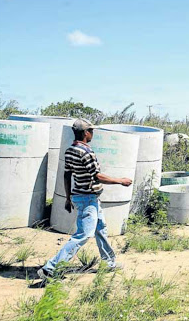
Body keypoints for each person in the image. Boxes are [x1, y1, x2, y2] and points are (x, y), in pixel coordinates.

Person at [37, 118, 132, 280]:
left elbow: (67, 175)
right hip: (88, 199)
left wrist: (68, 197)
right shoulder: (87, 153)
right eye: (91, 131)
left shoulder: (70, 151)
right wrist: (120, 181)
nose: (92, 133)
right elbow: (97, 176)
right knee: (83, 234)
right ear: (86, 133)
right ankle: (50, 268)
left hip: (83, 197)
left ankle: (109, 262)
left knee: (100, 229)